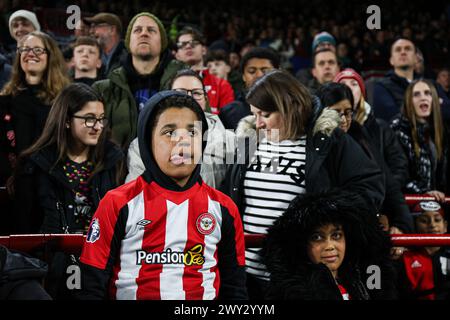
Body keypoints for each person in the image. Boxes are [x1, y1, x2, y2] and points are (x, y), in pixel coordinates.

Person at [221, 70, 384, 299]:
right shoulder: (248, 140)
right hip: (246, 275)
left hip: (301, 278)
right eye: (254, 114)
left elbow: (370, 187)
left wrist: (319, 213)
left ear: (290, 108)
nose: (257, 123)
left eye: (265, 114)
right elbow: (229, 195)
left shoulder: (328, 139)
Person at [79, 91, 247, 300]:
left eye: (192, 132)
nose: (183, 142)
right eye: (169, 132)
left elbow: (235, 289)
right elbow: (92, 284)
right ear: (147, 141)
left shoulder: (225, 208)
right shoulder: (117, 203)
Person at [12, 83, 124, 298]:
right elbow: (23, 229)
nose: (98, 126)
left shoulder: (113, 160)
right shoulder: (34, 166)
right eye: (89, 118)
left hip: (102, 263)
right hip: (49, 267)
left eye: (101, 119)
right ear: (65, 121)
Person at [263, 190, 397, 300]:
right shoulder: (289, 291)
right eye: (317, 237)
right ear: (302, 243)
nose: (330, 246)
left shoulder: (366, 278)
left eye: (336, 235)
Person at [325, 75, 413, 235]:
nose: (343, 119)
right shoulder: (310, 144)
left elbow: (388, 184)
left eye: (348, 112)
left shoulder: (360, 137)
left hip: (362, 230)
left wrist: (401, 225)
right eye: (336, 112)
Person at [126, 68, 234, 188]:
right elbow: (135, 192)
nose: (189, 98)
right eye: (180, 92)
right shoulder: (142, 143)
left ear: (206, 99)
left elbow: (236, 188)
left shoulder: (230, 140)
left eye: (197, 93)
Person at [92, 12, 186, 149]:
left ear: (162, 42)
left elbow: (206, 131)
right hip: (119, 168)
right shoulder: (103, 90)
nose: (144, 34)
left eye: (151, 30)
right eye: (137, 30)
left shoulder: (186, 85)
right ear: (129, 42)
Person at [0, 31, 70, 209]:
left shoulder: (66, 100)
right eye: (25, 49)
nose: (31, 53)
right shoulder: (5, 100)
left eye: (38, 50)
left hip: (56, 185)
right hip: (16, 187)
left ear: (51, 56)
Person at [390, 79, 448, 200]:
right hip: (410, 203)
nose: (423, 98)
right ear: (408, 101)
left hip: (436, 202)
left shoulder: (442, 132)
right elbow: (398, 176)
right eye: (416, 94)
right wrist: (425, 192)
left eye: (427, 93)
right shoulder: (398, 129)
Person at [396, 201, 450, 300]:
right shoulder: (405, 256)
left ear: (445, 226)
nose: (432, 225)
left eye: (437, 220)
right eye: (424, 221)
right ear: (414, 225)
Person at [174, 26, 235, 114]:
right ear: (177, 55)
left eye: (193, 43)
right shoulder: (169, 84)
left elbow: (228, 121)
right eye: (182, 45)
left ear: (204, 50)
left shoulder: (221, 84)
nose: (188, 46)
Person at [219, 47, 280, 130]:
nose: (259, 75)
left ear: (278, 73)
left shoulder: (292, 107)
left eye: (265, 71)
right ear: (243, 76)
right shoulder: (229, 112)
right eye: (252, 71)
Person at [372, 38, 418, 122]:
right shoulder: (381, 87)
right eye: (398, 50)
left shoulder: (429, 84)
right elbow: (391, 118)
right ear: (391, 60)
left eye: (408, 49)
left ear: (416, 58)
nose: (403, 52)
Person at [83, 13, 127, 78]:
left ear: (112, 30)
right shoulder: (92, 55)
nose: (91, 31)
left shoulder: (128, 58)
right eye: (91, 27)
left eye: (96, 26)